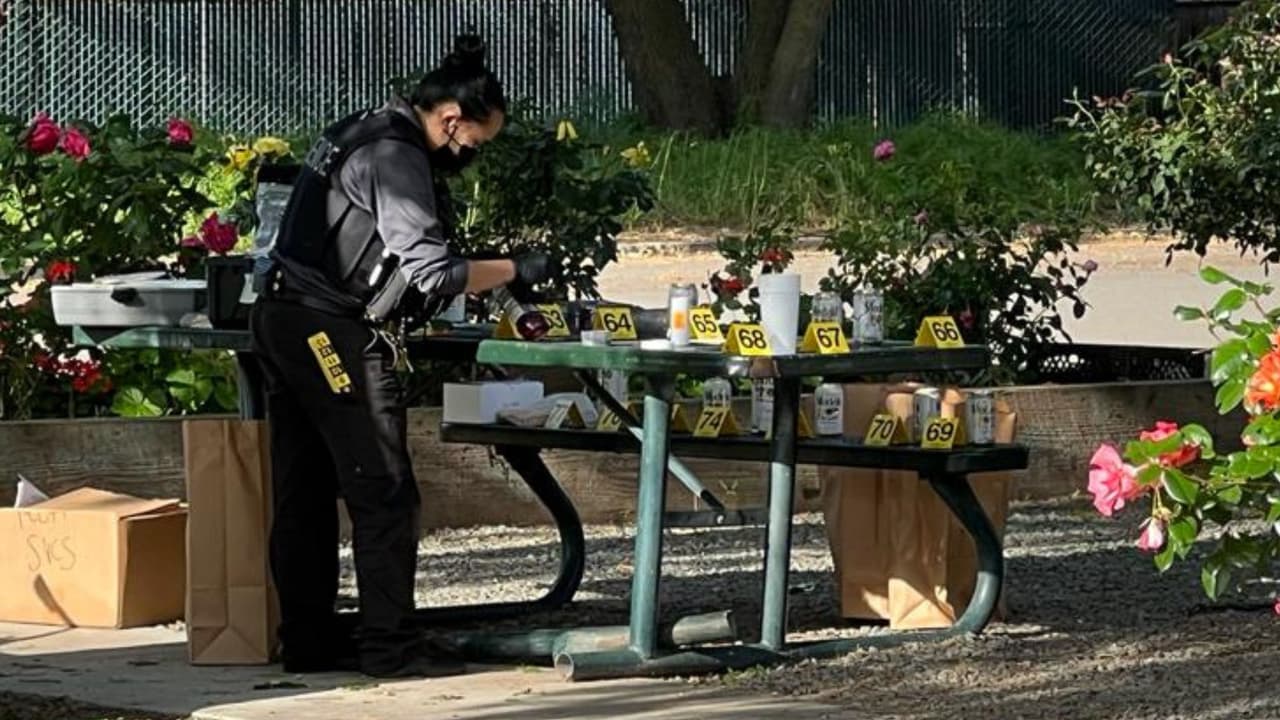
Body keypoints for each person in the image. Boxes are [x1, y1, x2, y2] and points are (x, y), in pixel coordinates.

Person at [249, 34, 548, 678]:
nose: (470, 155)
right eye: (474, 143)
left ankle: (308, 641)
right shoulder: (395, 154)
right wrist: (514, 268)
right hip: (326, 331)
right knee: (383, 490)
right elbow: (435, 273)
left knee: (304, 490)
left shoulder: (363, 127)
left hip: (280, 315)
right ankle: (391, 647)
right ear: (450, 120)